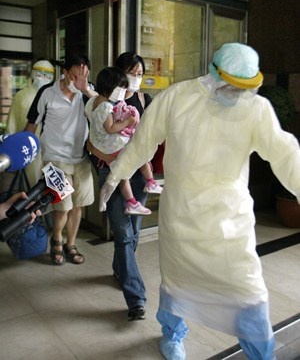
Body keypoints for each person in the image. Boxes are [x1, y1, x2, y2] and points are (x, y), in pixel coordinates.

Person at [99, 43, 300, 360]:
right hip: (183, 217)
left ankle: (261, 354)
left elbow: (285, 153)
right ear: (214, 75)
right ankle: (173, 334)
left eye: (244, 88)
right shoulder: (178, 97)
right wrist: (116, 174)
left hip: (231, 220)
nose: (237, 93)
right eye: (232, 86)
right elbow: (144, 140)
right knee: (178, 283)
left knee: (247, 290)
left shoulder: (254, 108)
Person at [87, 52, 152, 321]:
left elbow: (150, 137)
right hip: (113, 174)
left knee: (134, 232)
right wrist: (110, 159)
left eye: (139, 73)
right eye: (131, 73)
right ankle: (136, 298)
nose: (135, 78)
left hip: (138, 174)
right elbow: (90, 142)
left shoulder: (144, 100)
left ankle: (120, 269)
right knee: (124, 235)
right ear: (118, 74)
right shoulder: (103, 102)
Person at [24, 53, 97, 266]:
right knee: (62, 206)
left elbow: (104, 109)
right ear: (64, 73)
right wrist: (24, 153)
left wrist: (85, 89)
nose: (78, 81)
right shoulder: (47, 93)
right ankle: (56, 239)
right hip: (54, 159)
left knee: (78, 205)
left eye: (83, 76)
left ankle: (70, 243)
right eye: (75, 76)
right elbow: (31, 125)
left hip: (81, 159)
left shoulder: (87, 92)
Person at [85, 66, 162, 215]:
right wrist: (128, 121)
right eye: (119, 88)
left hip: (99, 143)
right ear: (109, 86)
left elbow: (86, 114)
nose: (122, 92)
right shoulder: (106, 106)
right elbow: (111, 128)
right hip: (111, 145)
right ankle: (150, 182)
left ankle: (131, 202)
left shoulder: (92, 101)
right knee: (140, 155)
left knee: (121, 175)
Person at [5, 60, 55, 187]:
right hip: (28, 148)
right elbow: (12, 123)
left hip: (51, 149)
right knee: (30, 183)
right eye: (40, 74)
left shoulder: (55, 96)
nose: (44, 78)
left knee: (50, 185)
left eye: (48, 75)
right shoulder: (21, 96)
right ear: (33, 74)